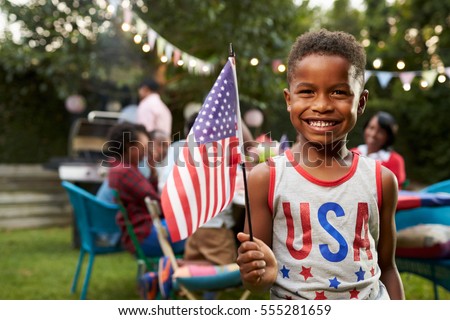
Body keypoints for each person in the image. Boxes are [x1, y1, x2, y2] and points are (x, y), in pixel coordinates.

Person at [236, 29, 404, 300]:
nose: (322, 105)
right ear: (289, 100)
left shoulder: (381, 180)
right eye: (307, 92)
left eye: (339, 92)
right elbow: (257, 282)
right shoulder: (265, 179)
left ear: (361, 102)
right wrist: (257, 277)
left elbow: (387, 268)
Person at [105, 123, 185, 257]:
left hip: (139, 235)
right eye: (143, 147)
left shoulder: (119, 168)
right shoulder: (125, 171)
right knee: (195, 227)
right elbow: (157, 205)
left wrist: (152, 170)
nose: (146, 152)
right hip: (146, 235)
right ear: (130, 147)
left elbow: (149, 197)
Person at [351, 111, 406, 189]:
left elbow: (396, 189)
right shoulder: (352, 153)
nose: (373, 134)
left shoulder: (395, 160)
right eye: (371, 128)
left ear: (388, 136)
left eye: (380, 132)